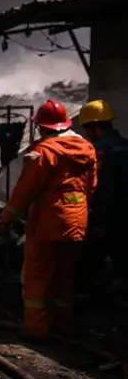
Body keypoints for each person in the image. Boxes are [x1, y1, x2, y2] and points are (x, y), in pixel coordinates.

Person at [0, 99, 97, 338]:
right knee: (64, 277)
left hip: (48, 220)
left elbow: (25, 190)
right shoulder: (87, 149)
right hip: (77, 221)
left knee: (37, 276)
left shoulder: (44, 152)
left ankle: (36, 330)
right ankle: (64, 327)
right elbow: (92, 188)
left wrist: (6, 218)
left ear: (41, 127)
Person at [78, 99, 128, 293]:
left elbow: (102, 188)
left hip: (110, 218)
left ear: (94, 126)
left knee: (91, 266)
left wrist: (98, 222)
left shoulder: (100, 152)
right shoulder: (125, 146)